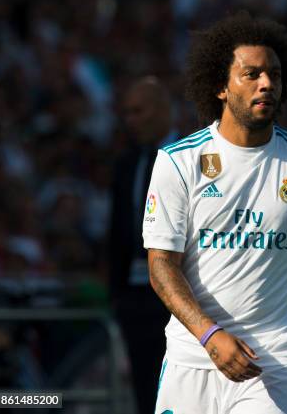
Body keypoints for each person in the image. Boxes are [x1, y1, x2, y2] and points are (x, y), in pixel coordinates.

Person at [143, 12, 287, 414]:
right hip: (193, 357)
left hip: (275, 361)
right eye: (251, 74)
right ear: (220, 85)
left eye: (274, 74)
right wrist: (209, 335)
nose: (266, 83)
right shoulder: (178, 161)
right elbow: (161, 265)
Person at [109, 76, 178, 414]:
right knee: (144, 389)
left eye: (139, 111)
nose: (131, 120)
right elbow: (117, 231)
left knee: (181, 389)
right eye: (127, 113)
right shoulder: (127, 163)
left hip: (180, 295)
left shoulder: (193, 158)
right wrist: (117, 295)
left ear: (163, 109)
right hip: (136, 296)